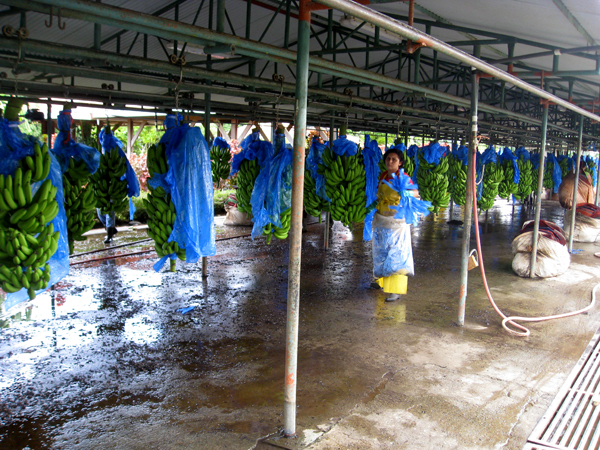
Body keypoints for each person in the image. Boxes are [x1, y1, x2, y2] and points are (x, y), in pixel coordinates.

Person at [373, 148, 416, 302]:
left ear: (400, 163)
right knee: (382, 254)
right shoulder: (384, 176)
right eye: (388, 159)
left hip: (397, 222)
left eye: (394, 159)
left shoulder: (402, 177)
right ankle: (382, 282)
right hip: (382, 220)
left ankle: (395, 291)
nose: (390, 162)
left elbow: (416, 192)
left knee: (397, 257)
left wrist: (408, 193)